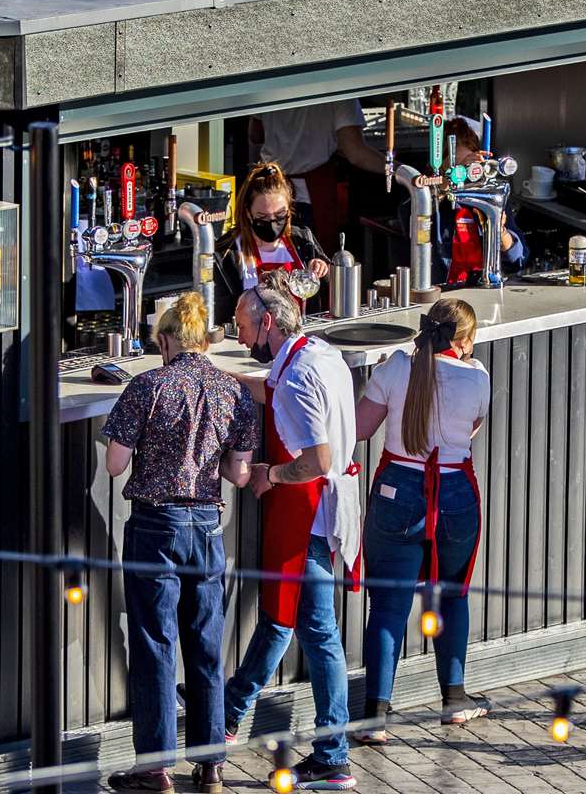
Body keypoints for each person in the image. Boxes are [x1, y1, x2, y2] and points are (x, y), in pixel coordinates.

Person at [101, 292, 258, 794]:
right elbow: (237, 472)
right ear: (205, 341)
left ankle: (155, 768)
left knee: (156, 645)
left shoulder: (147, 386)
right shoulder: (234, 393)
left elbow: (115, 464)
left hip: (155, 526)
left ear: (166, 340)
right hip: (208, 527)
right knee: (206, 644)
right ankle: (210, 764)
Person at [222, 272, 361, 791]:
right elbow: (274, 387)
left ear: (270, 322)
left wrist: (269, 474)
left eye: (241, 327)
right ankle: (231, 709)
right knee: (285, 617)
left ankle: (332, 755)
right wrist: (223, 376)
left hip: (308, 514)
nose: (239, 338)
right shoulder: (318, 354)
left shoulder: (299, 377)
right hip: (327, 511)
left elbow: (315, 460)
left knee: (316, 633)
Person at [353, 298, 491, 744]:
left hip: (398, 489)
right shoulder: (478, 376)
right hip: (454, 492)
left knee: (389, 606)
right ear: (465, 341)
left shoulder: (395, 367)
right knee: (452, 595)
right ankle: (454, 700)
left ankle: (376, 717)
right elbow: (470, 429)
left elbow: (359, 428)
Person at [399, 117, 527, 287]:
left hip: (483, 289)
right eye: (459, 167)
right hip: (442, 293)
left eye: (470, 167)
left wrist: (500, 232)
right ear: (440, 165)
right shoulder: (428, 201)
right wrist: (444, 186)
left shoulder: (488, 198)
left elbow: (518, 260)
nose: (464, 175)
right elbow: (408, 213)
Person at [252, 100, 386, 253]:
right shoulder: (340, 87)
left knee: (270, 258)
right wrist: (398, 168)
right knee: (315, 263)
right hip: (308, 198)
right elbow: (355, 152)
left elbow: (255, 134)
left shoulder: (269, 80)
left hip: (269, 194)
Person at [213, 162, 331, 326]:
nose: (272, 223)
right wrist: (255, 293)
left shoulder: (303, 241)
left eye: (280, 215)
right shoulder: (226, 253)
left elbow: (334, 288)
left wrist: (323, 270)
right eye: (263, 217)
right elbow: (218, 314)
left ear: (289, 210)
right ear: (248, 213)